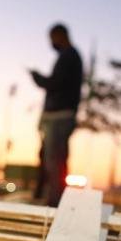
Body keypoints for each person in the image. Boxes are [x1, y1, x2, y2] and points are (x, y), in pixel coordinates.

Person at [30, 23, 83, 207]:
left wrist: (38, 79)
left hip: (60, 117)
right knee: (52, 159)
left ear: (60, 36)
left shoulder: (69, 56)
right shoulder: (67, 56)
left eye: (52, 38)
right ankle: (52, 199)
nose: (51, 42)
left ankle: (56, 203)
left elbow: (55, 84)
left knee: (55, 161)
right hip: (57, 116)